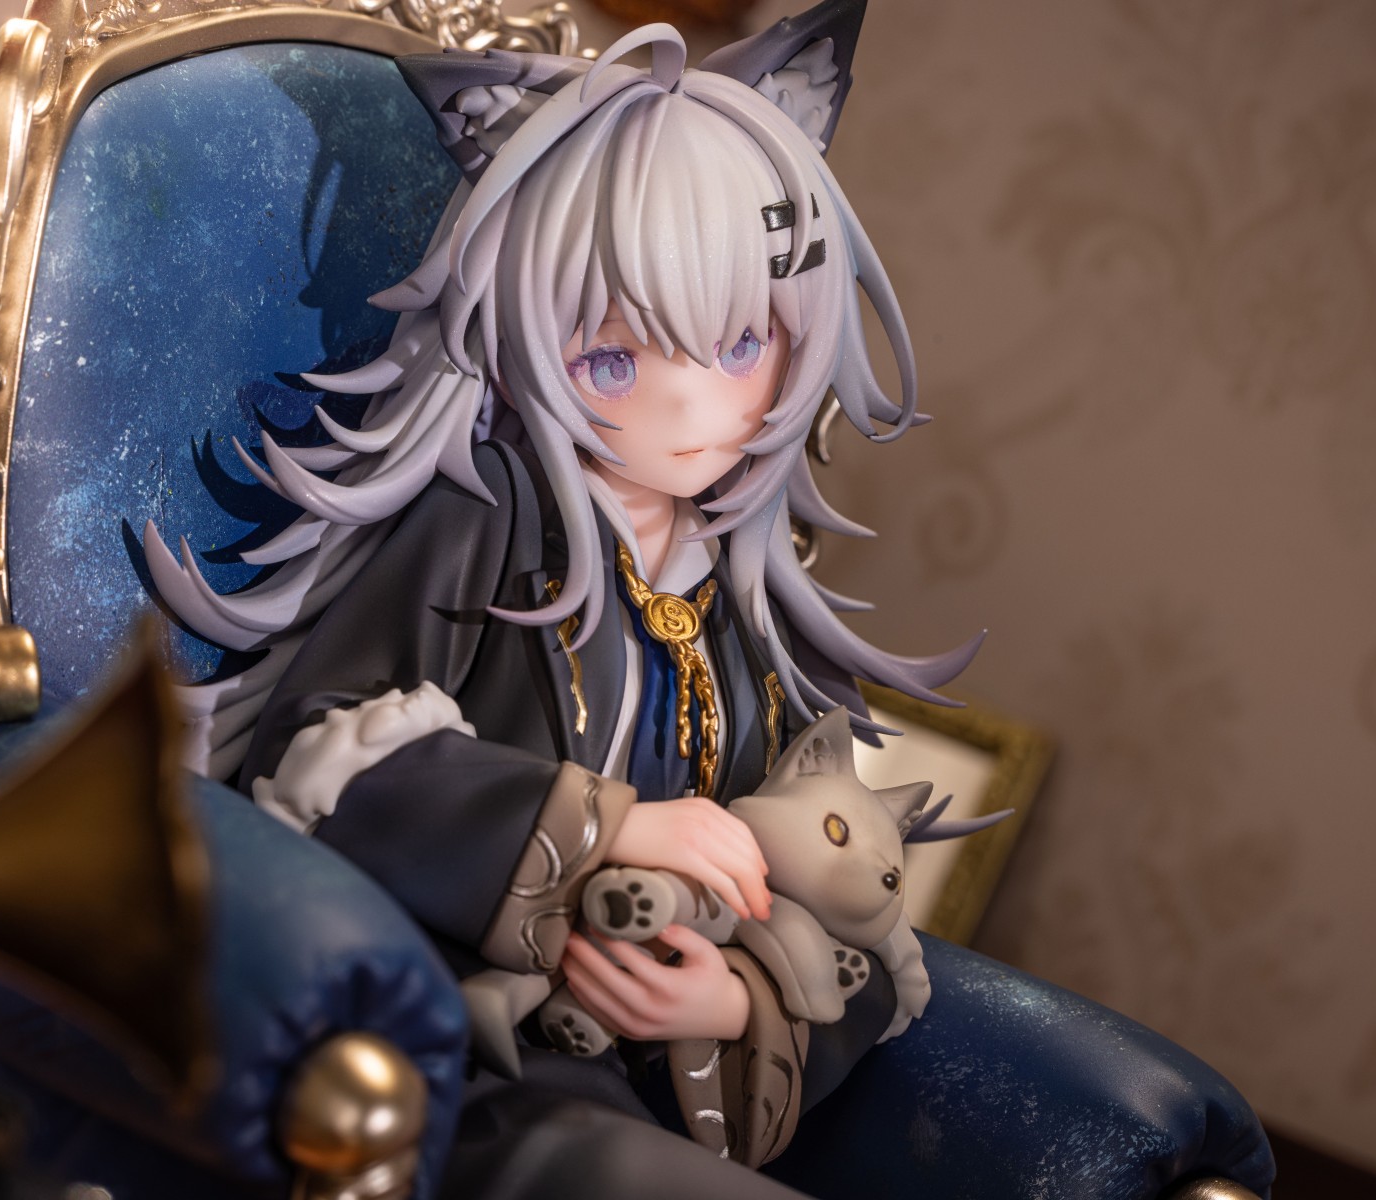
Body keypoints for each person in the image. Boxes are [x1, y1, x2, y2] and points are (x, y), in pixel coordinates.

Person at [146, 1, 982, 1192]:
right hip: (453, 1052)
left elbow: (840, 895)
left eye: (741, 346)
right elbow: (317, 759)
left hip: (650, 1083)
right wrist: (605, 826)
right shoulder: (482, 513)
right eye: (613, 359)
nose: (690, 408)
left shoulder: (745, 592)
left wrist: (739, 1001)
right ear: (528, 337)